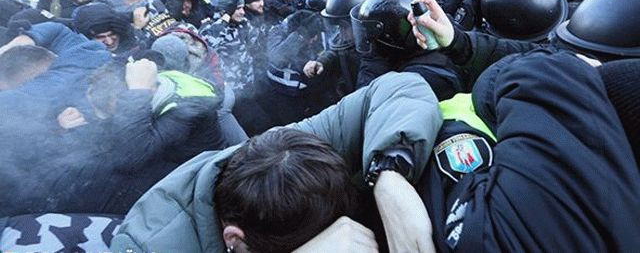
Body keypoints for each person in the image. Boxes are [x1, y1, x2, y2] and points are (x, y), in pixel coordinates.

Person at [110, 71, 442, 252]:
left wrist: (390, 176)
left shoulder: (292, 151)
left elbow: (399, 86)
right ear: (235, 241)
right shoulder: (147, 246)